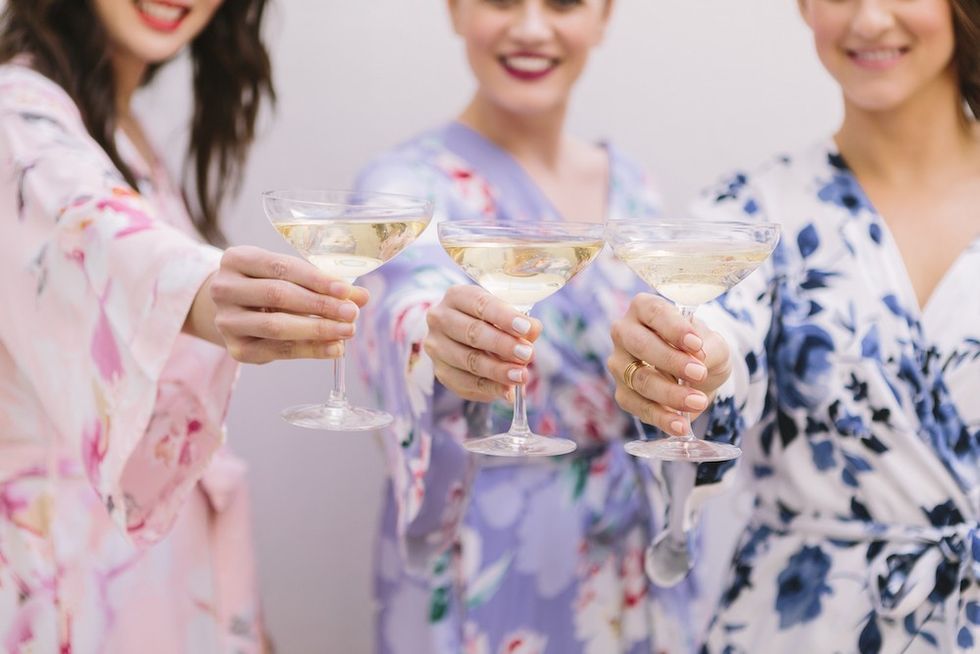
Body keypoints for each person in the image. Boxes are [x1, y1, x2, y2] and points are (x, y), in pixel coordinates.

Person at [607, 0, 980, 651]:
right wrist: (693, 362)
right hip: (799, 625)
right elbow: (725, 330)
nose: (868, 20)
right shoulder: (750, 211)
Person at [0, 1, 367, 651]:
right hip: (64, 581)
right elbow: (95, 232)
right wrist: (209, 293)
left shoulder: (117, 126)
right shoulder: (16, 113)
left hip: (156, 577)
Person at [353, 0, 701, 652]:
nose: (532, 28)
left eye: (564, 3)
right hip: (488, 558)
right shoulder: (403, 187)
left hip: (630, 560)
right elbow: (401, 315)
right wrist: (440, 341)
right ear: (456, 10)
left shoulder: (634, 188)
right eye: (501, 0)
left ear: (604, 16)